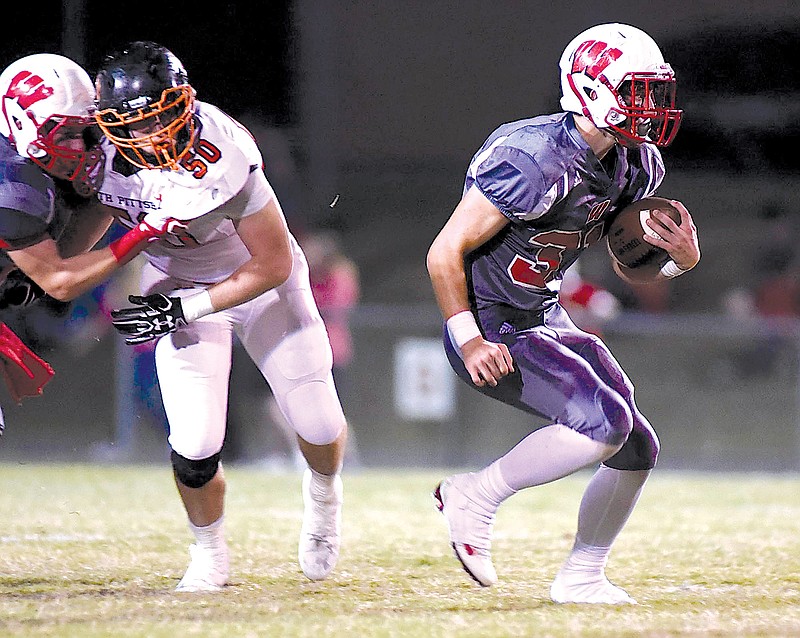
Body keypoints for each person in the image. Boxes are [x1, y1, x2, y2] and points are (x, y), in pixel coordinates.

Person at [426, 23, 700, 604]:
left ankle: (582, 576)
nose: (650, 107)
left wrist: (677, 262)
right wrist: (469, 338)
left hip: (541, 314)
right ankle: (475, 494)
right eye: (638, 90)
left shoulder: (634, 163)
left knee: (635, 445)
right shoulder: (533, 158)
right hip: (492, 319)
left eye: (654, 92)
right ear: (591, 89)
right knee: (604, 423)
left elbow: (627, 265)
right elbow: (444, 251)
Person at [95, 41, 348, 591]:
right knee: (193, 440)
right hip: (176, 280)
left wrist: (184, 307)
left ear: (184, 103)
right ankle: (208, 552)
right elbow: (92, 229)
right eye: (133, 126)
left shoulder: (223, 152)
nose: (152, 138)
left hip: (255, 280)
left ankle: (324, 498)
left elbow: (275, 262)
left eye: (161, 119)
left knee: (318, 422)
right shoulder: (99, 160)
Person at [0, 53, 183, 428]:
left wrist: (108, 193)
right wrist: (146, 232)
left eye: (83, 131)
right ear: (19, 121)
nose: (79, 145)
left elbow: (63, 252)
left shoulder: (24, 161)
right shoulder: (13, 187)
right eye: (65, 132)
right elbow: (60, 281)